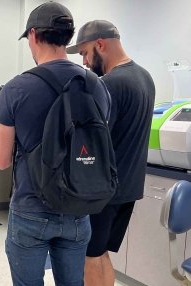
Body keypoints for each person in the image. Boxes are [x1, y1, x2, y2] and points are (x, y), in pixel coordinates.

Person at [0, 2, 113, 285]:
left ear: (33, 35)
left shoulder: (16, 88)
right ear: (67, 38)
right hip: (79, 207)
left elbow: (1, 160)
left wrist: (1, 139)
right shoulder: (97, 85)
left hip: (31, 209)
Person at [66, 20, 155, 286]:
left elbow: (93, 142)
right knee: (100, 252)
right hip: (128, 187)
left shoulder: (110, 83)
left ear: (100, 44)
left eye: (84, 52)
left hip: (104, 191)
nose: (83, 60)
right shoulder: (144, 77)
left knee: (88, 256)